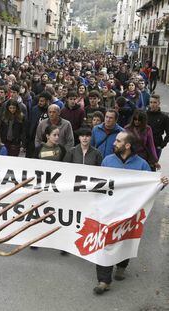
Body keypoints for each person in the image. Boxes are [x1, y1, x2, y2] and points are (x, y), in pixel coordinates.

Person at [93, 131, 169, 294]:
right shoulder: (107, 161)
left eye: (118, 141)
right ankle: (103, 280)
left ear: (127, 145)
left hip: (130, 211)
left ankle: (121, 265)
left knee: (124, 240)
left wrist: (160, 183)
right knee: (105, 242)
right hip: (109, 210)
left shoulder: (142, 165)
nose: (114, 143)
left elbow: (150, 186)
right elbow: (99, 183)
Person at [147, 94, 169, 159]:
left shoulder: (164, 117)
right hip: (144, 145)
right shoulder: (144, 115)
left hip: (156, 144)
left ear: (159, 103)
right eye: (151, 102)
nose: (152, 104)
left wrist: (162, 145)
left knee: (153, 166)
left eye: (155, 102)